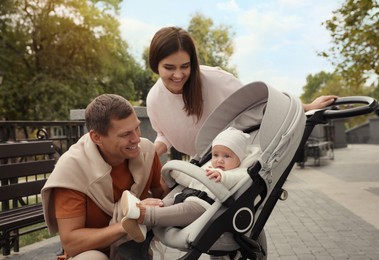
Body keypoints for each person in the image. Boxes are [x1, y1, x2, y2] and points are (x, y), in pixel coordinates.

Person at [146, 26, 338, 157]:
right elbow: (164, 134)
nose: (178, 75)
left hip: (232, 156)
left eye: (185, 66)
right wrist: (150, 153)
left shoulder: (215, 80)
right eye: (169, 68)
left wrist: (307, 107)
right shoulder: (154, 99)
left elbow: (260, 100)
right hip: (200, 161)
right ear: (155, 65)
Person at [41, 94, 169, 260]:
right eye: (126, 134)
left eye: (137, 128)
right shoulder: (72, 169)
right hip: (91, 252)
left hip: (137, 247)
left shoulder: (146, 151)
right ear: (97, 137)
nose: (136, 139)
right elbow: (71, 243)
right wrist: (128, 224)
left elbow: (162, 195)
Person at [120, 127, 253, 241]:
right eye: (215, 155)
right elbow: (191, 178)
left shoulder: (240, 172)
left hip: (202, 207)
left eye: (227, 156)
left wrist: (222, 176)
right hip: (186, 195)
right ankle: (138, 212)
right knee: (162, 204)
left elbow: (235, 178)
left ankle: (144, 215)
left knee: (175, 212)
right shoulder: (209, 168)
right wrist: (176, 172)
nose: (219, 160)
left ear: (239, 158)